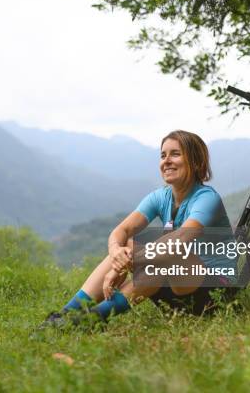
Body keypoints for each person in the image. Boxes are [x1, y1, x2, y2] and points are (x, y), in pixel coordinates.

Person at [42, 130, 236, 327]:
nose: (166, 160)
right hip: (176, 289)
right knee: (126, 245)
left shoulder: (206, 198)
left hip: (215, 294)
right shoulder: (160, 197)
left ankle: (89, 320)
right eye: (163, 155)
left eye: (175, 154)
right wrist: (117, 254)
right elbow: (122, 230)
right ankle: (64, 316)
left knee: (169, 252)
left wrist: (129, 261)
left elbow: (180, 242)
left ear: (196, 162)